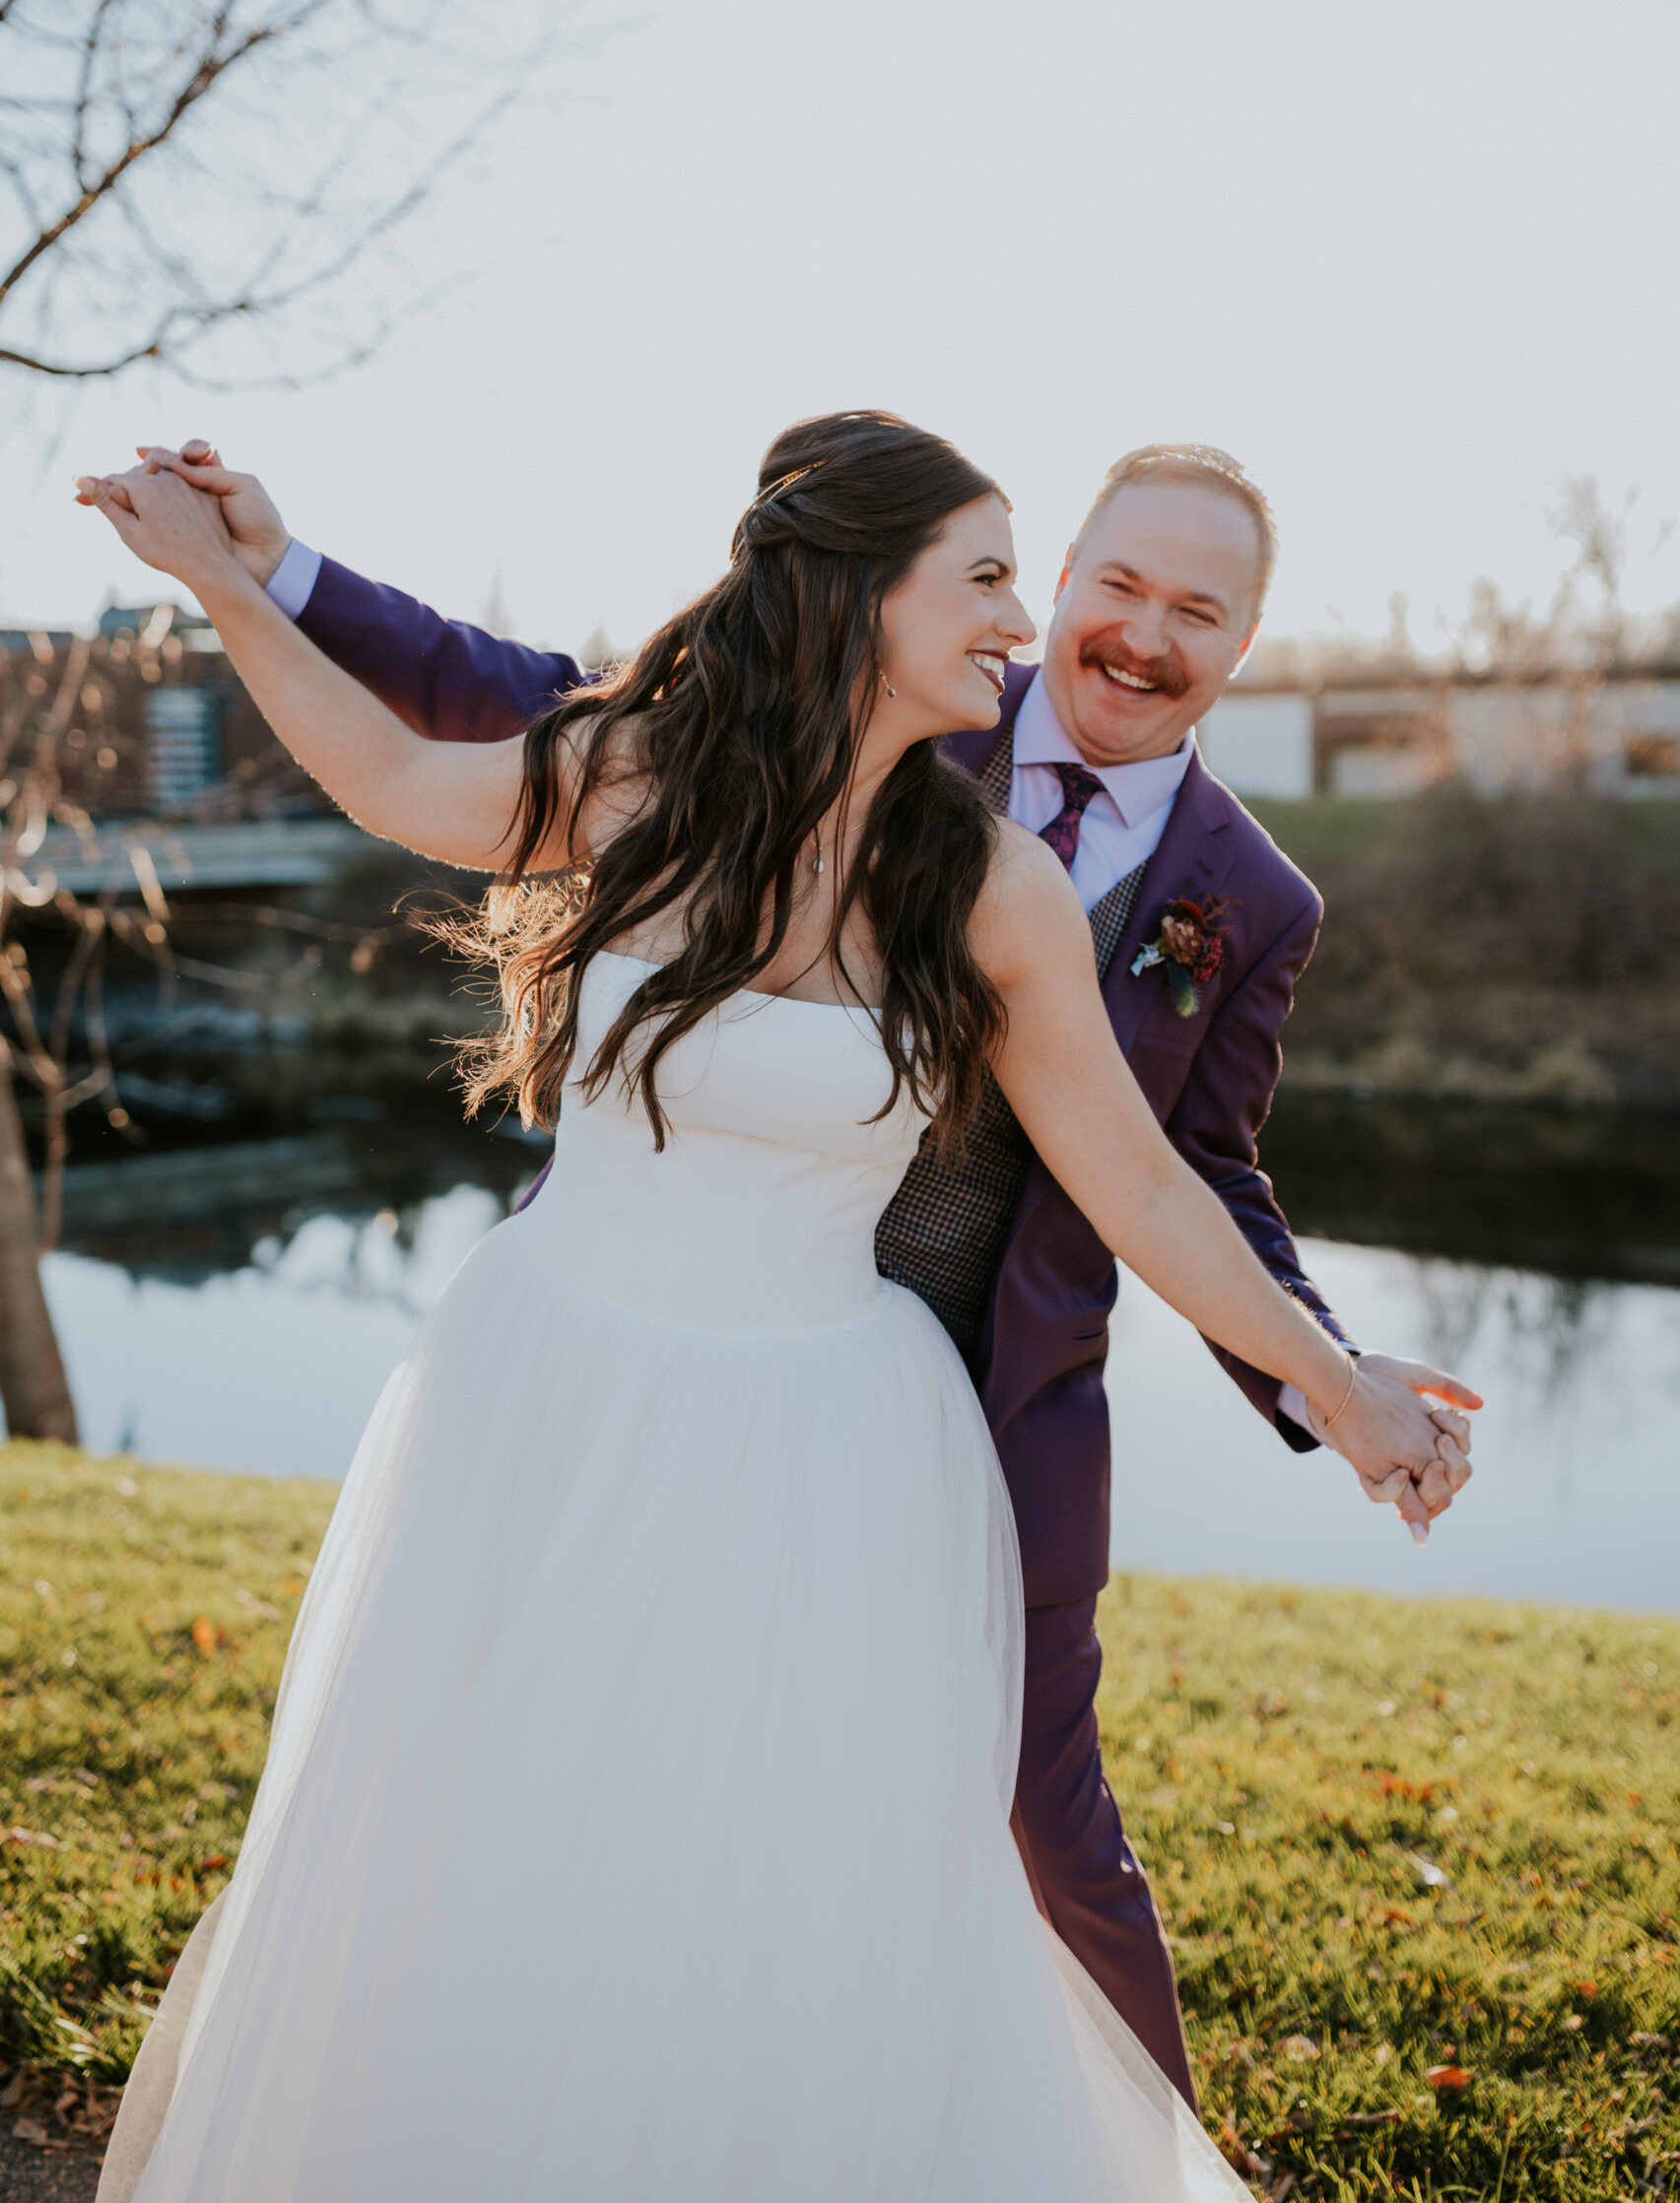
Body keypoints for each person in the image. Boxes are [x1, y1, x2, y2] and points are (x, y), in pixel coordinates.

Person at [78, 417, 1477, 2203]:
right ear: (858, 594)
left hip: (837, 1446)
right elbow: (387, 768)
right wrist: (229, 582)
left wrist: (1337, 1383)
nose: (1021, 627)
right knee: (502, 1824)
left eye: (1170, 601)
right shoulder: (641, 772)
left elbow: (1147, 1183)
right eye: (998, 580)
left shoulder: (990, 886)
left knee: (828, 1880)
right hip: (548, 1394)